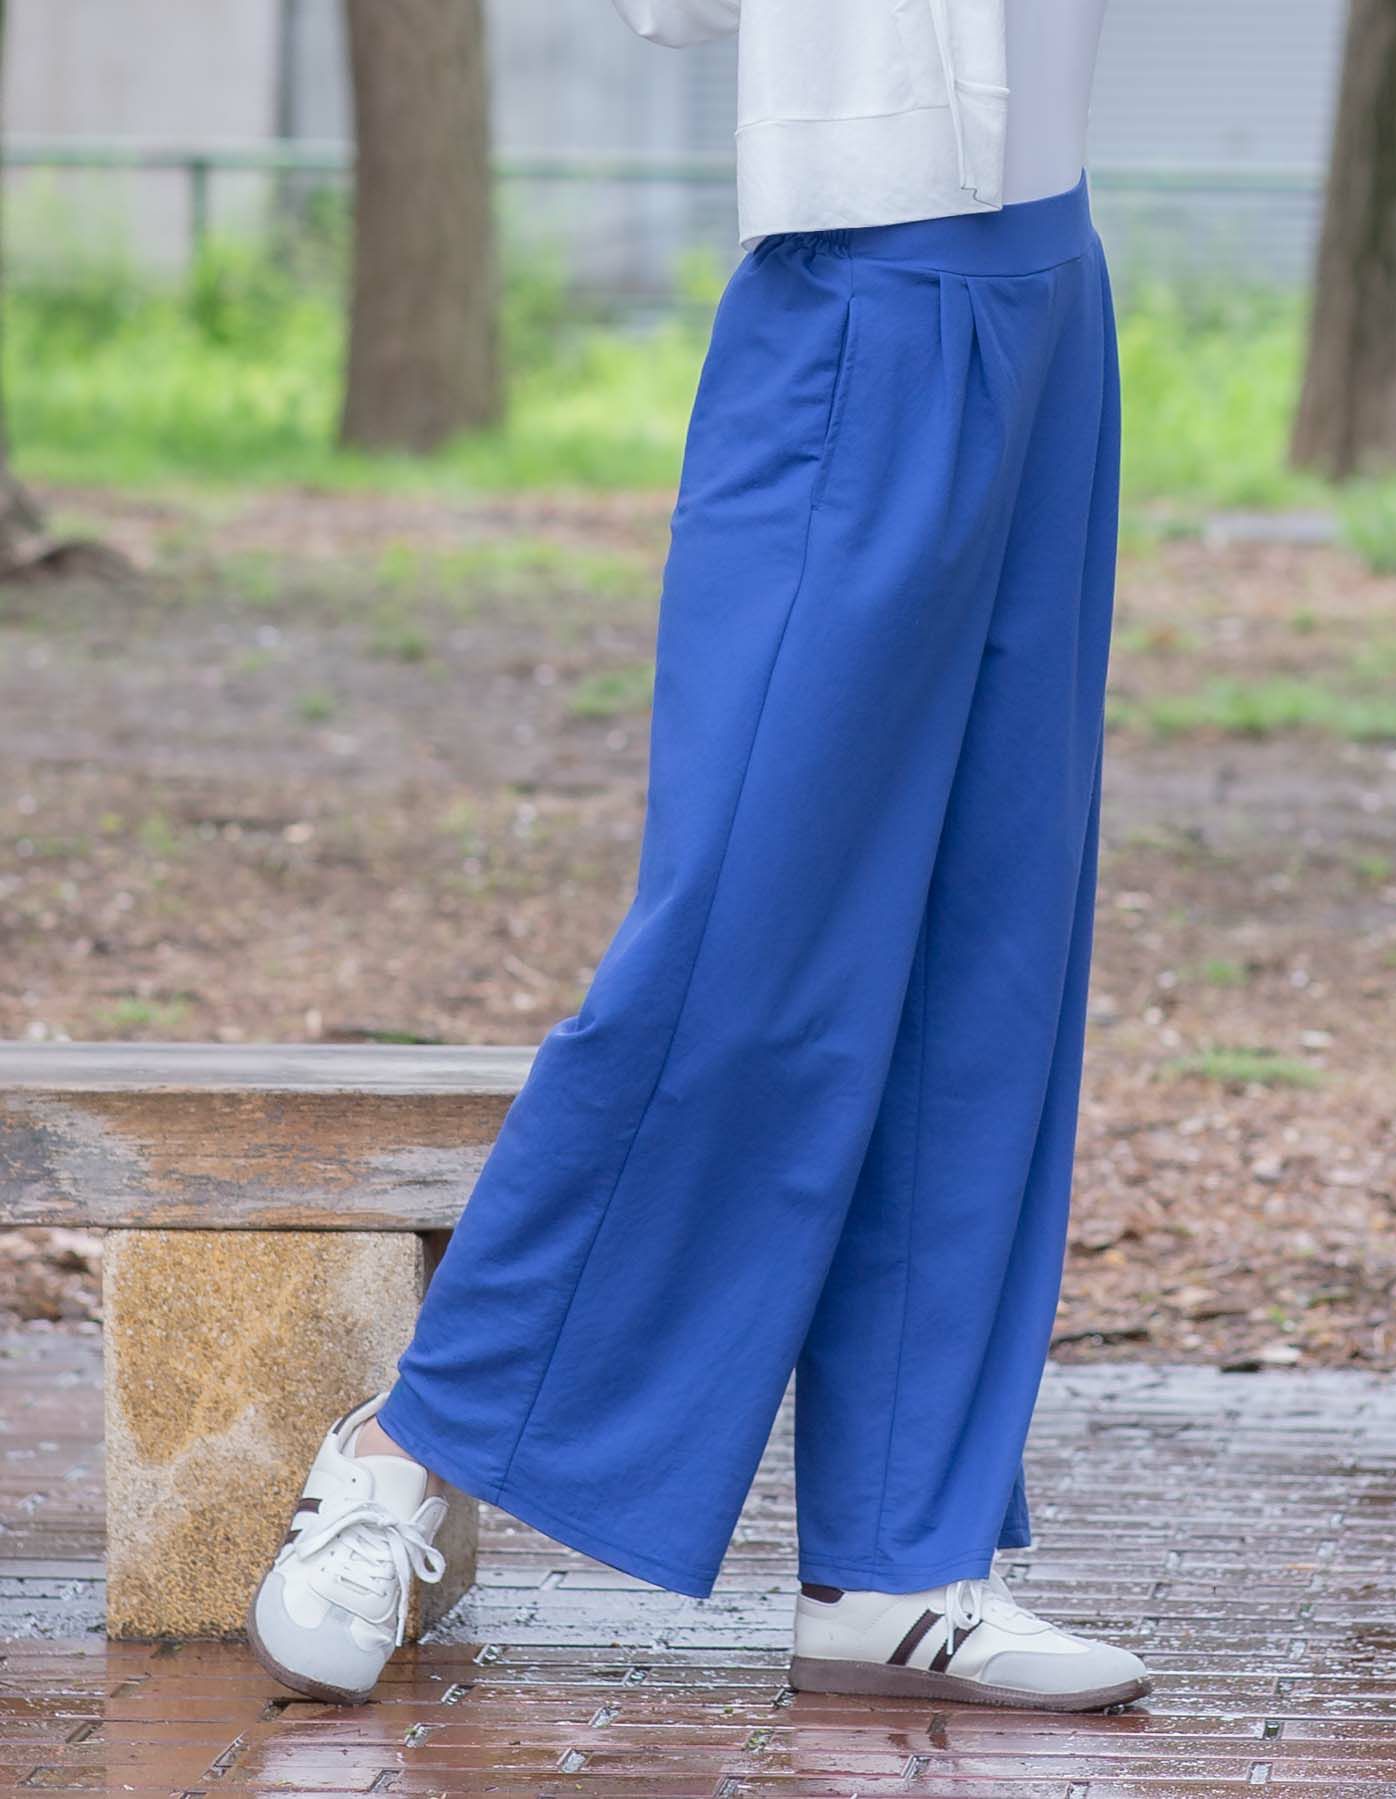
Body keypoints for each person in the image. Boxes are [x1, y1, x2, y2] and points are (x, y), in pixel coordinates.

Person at [247, 0, 1150, 1713]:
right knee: (751, 942)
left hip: (1052, 283)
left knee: (988, 954)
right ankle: (407, 1447)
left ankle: (900, 1559)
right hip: (861, 282)